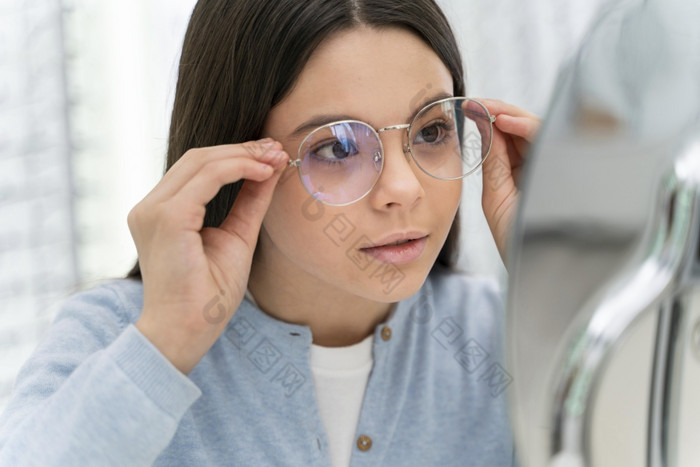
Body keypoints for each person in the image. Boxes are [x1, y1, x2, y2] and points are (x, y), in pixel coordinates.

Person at [0, 0, 540, 465]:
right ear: (237, 156)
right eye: (337, 148)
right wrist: (166, 343)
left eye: (430, 130)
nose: (403, 188)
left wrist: (573, 287)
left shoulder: (512, 331)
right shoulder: (118, 336)